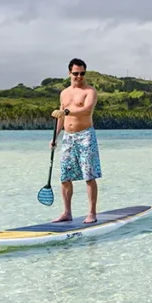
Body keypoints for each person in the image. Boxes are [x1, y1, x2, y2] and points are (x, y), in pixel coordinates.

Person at [50, 58, 101, 223]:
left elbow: (86, 110)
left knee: (89, 175)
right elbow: (61, 118)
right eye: (76, 73)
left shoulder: (90, 91)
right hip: (68, 137)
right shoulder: (64, 93)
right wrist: (55, 137)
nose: (79, 76)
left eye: (82, 73)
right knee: (65, 176)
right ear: (69, 73)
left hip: (85, 135)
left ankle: (92, 213)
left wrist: (66, 111)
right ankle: (67, 213)